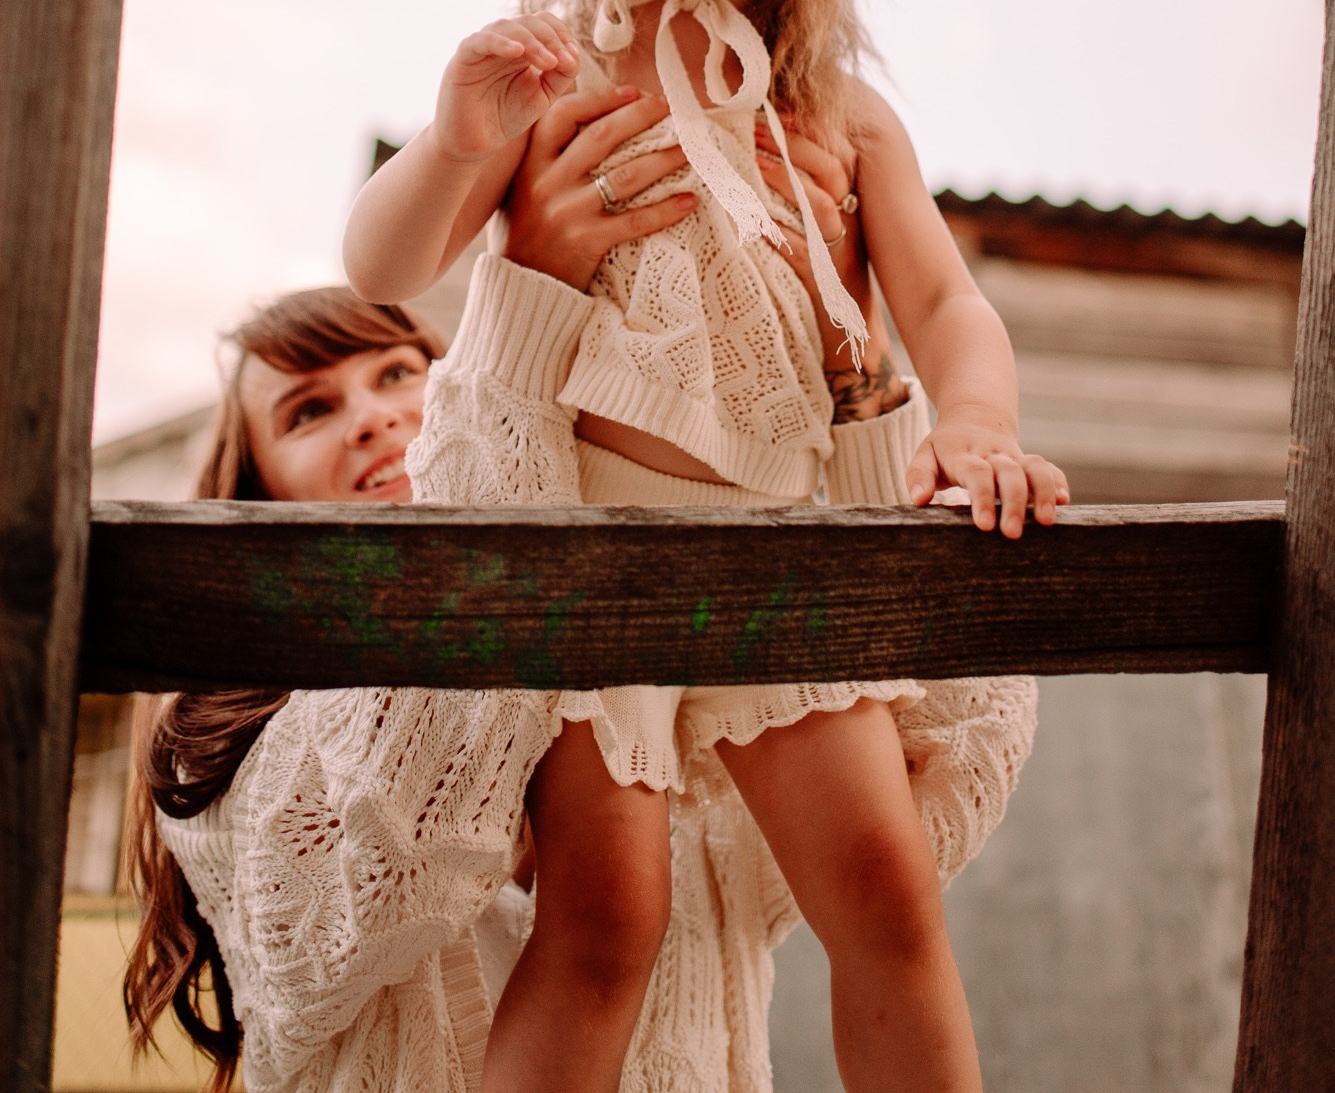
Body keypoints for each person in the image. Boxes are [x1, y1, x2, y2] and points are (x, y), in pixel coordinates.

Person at [342, 0, 1068, 1093]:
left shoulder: (843, 116)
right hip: (585, 557)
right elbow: (383, 264)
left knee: (885, 894)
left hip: (777, 551)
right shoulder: (548, 79)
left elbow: (941, 299)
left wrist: (974, 420)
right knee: (607, 917)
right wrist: (445, 140)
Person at [126, 142, 944, 1093]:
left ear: (455, 387)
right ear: (259, 498)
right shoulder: (225, 753)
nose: (372, 417)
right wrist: (520, 301)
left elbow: (941, 748)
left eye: (398, 373)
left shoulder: (669, 679)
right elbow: (423, 768)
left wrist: (859, 379)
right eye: (309, 412)